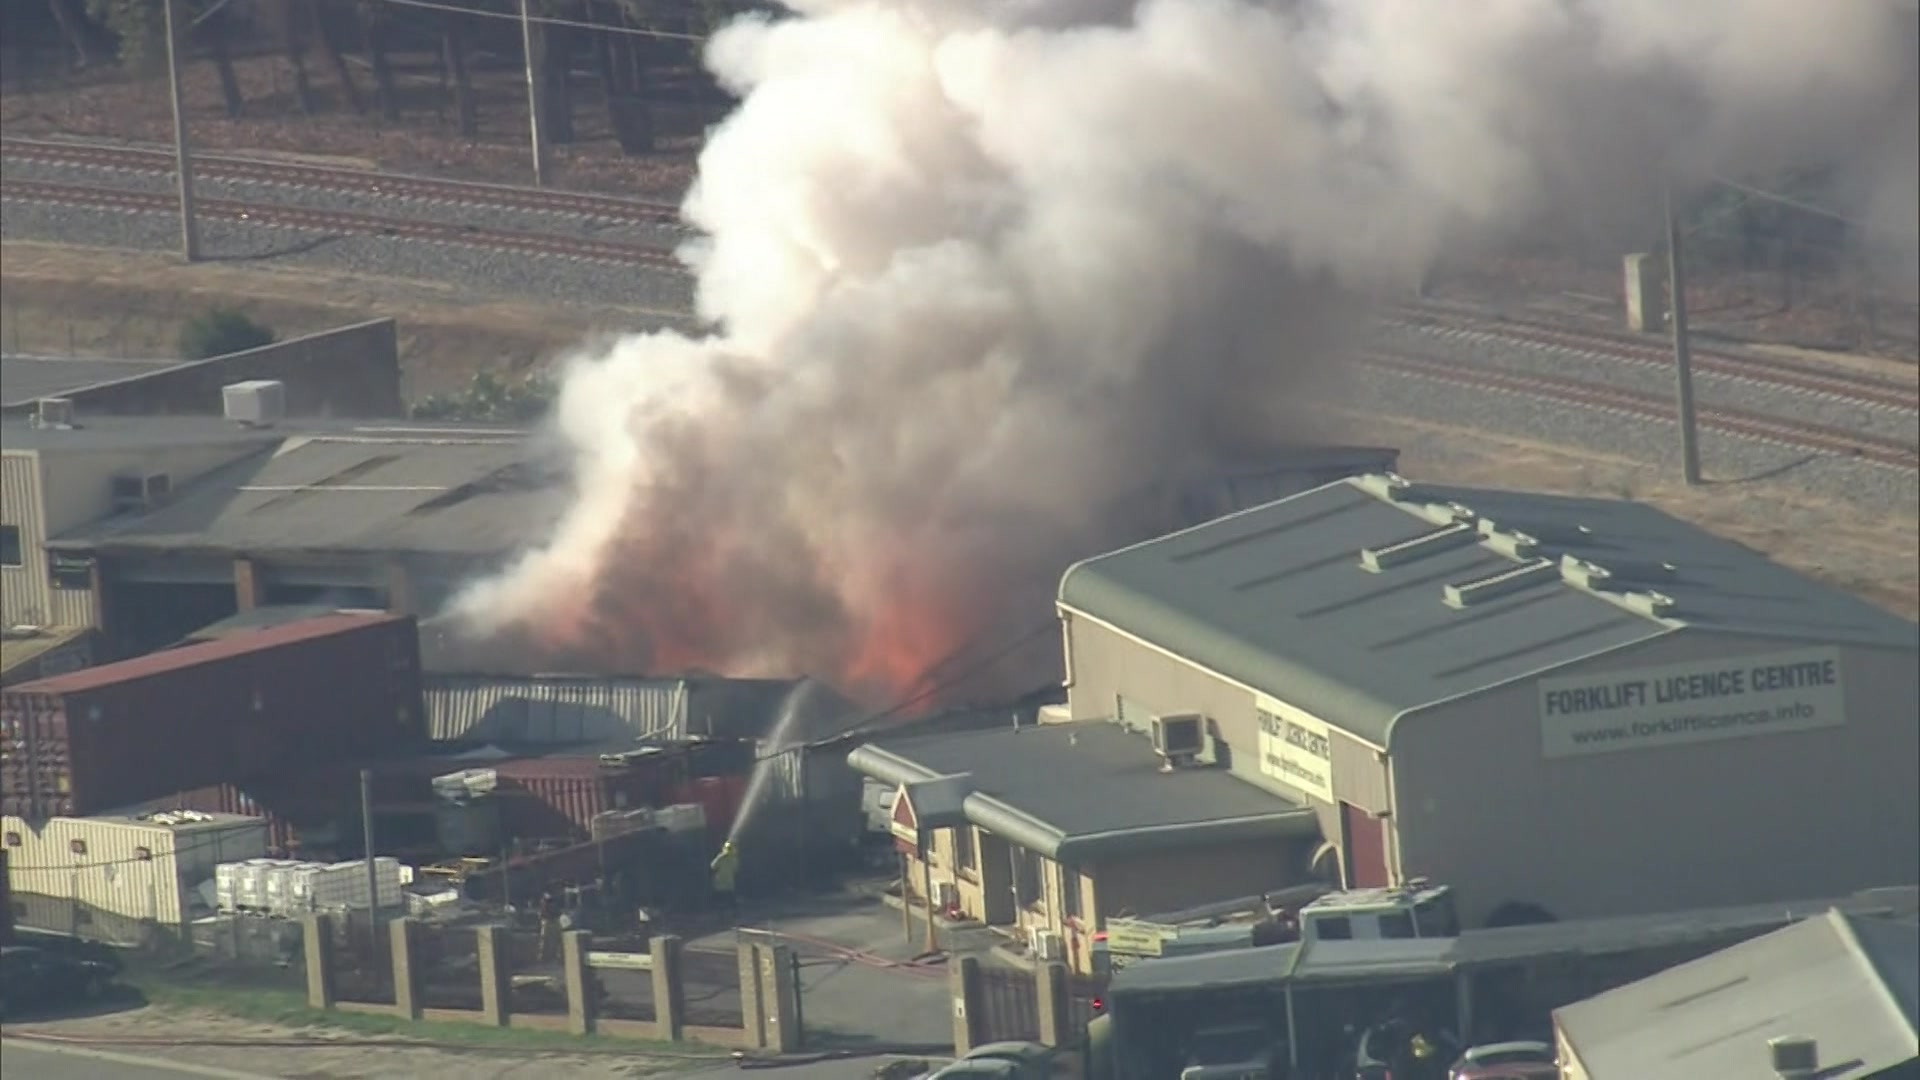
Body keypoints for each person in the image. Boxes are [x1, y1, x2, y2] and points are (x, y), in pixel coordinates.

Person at [710, 840, 740, 916]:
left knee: (721, 899)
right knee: (731, 899)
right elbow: (736, 869)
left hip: (719, 882)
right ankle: (734, 913)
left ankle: (721, 914)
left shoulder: (720, 857)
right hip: (729, 882)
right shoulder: (733, 859)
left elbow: (713, 866)